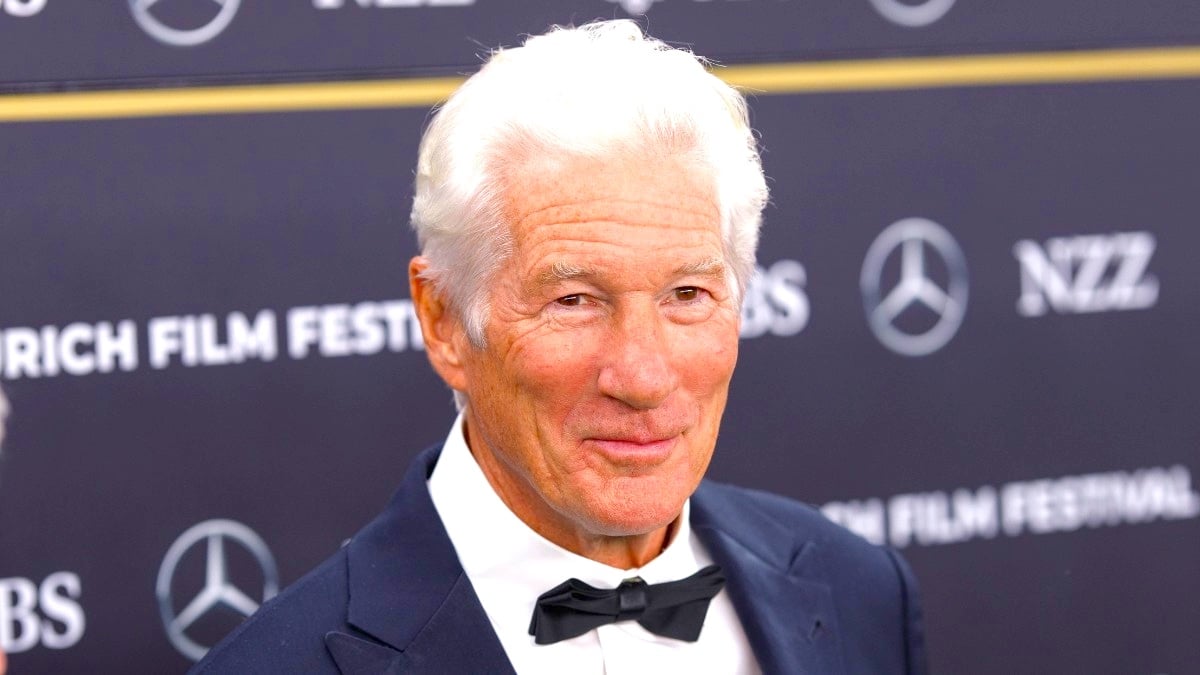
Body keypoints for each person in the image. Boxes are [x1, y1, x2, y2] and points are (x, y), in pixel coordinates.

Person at [195, 20, 927, 674]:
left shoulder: (859, 590)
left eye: (687, 295)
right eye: (573, 300)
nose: (641, 374)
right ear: (444, 318)